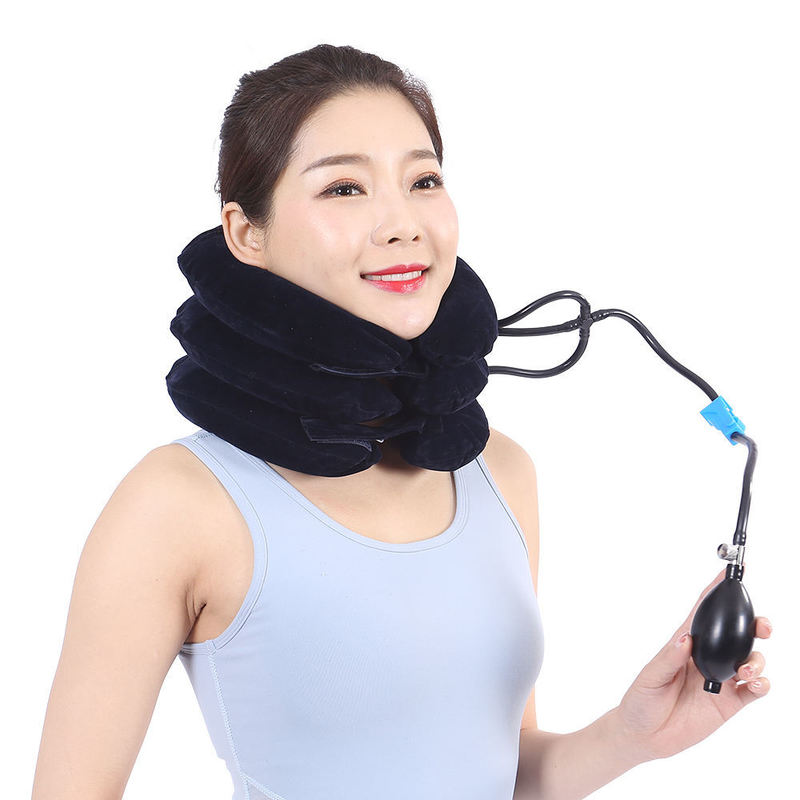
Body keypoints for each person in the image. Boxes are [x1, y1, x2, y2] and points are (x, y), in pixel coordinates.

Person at [32, 44, 772, 800]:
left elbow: (498, 772)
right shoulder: (177, 502)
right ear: (247, 233)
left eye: (423, 180)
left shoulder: (500, 471)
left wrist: (633, 737)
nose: (402, 223)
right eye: (344, 187)